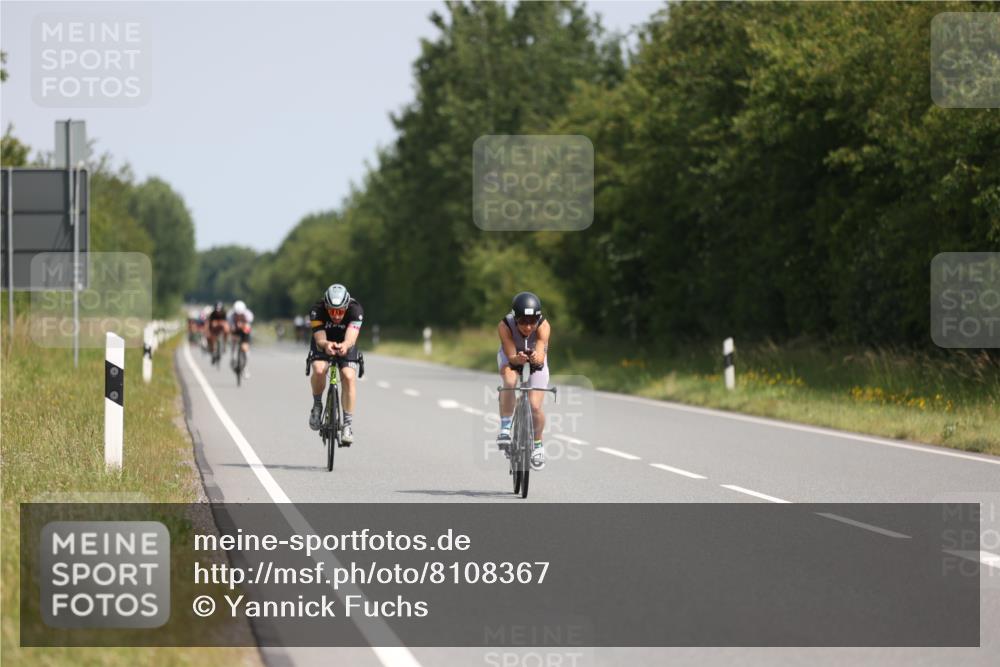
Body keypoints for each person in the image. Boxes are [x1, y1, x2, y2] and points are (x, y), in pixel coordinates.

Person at [496, 291, 551, 470]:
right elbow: (511, 354)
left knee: (535, 406)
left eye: (532, 322)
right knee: (510, 382)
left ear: (538, 318)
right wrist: (516, 359)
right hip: (512, 356)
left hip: (535, 359)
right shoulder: (505, 326)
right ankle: (505, 428)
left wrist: (535, 358)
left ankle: (538, 445)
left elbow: (541, 356)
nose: (528, 327)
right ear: (515, 318)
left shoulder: (544, 326)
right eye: (523, 322)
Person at [307, 284, 364, 445]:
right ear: (326, 306)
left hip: (346, 342)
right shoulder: (317, 310)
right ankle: (317, 405)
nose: (336, 315)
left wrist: (345, 345)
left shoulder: (355, 310)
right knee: (319, 369)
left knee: (348, 375)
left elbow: (351, 337)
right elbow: (319, 338)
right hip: (323, 341)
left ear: (346, 306)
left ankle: (347, 425)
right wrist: (326, 345)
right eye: (332, 311)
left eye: (340, 311)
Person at [228, 300, 254, 377]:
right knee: (233, 341)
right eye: (237, 314)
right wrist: (233, 331)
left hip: (244, 332)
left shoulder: (248, 315)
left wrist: (243, 327)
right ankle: (233, 357)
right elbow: (230, 327)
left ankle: (245, 368)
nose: (238, 316)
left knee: (245, 349)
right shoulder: (230, 315)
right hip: (235, 330)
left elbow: (248, 328)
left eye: (240, 314)